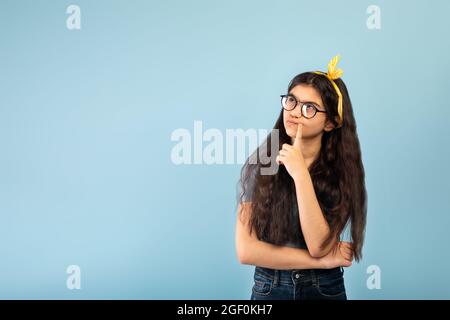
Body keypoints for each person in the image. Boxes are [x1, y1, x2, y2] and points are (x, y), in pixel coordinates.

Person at [235, 55, 367, 300]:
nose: (294, 112)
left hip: (323, 289)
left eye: (309, 108)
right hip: (269, 286)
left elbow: (319, 245)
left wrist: (300, 173)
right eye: (292, 101)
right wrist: (324, 262)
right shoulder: (264, 163)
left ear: (330, 122)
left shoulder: (342, 172)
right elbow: (246, 250)